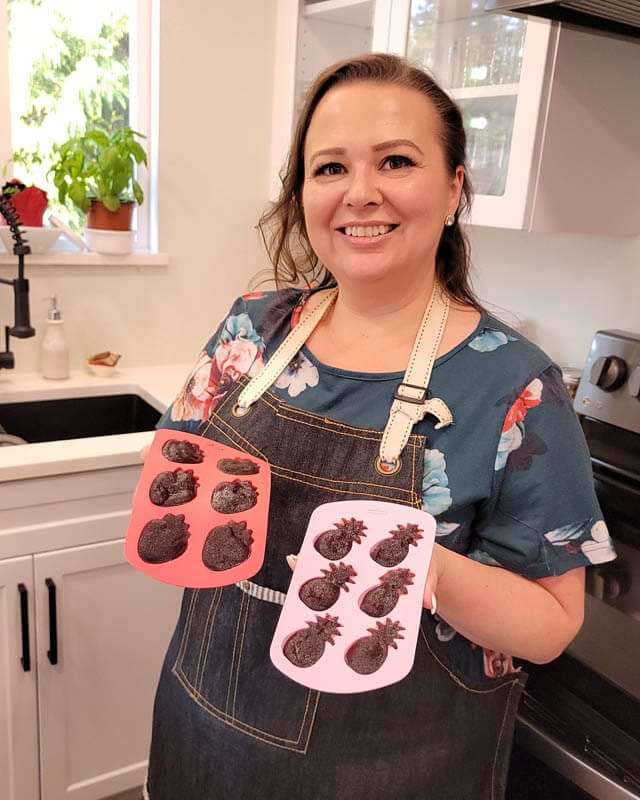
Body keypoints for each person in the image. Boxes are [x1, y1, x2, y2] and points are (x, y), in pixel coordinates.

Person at [143, 53, 616, 800]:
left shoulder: (515, 387)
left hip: (397, 771)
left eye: (396, 161)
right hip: (203, 740)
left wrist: (422, 568)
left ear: (456, 185)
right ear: (302, 191)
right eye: (329, 168)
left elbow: (554, 623)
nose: (360, 193)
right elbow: (176, 474)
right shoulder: (252, 327)